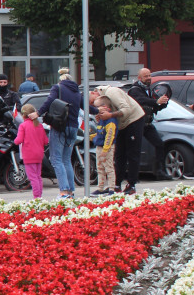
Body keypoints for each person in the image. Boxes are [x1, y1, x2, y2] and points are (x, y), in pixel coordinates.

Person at [38, 68, 84, 200]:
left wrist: (38, 113)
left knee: (56, 159)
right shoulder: (77, 92)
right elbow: (85, 106)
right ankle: (70, 191)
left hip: (60, 126)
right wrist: (98, 110)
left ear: (61, 80)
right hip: (73, 128)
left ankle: (63, 191)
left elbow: (49, 102)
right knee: (66, 160)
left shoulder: (57, 88)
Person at [90, 83, 144, 195]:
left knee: (132, 153)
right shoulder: (102, 101)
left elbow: (127, 109)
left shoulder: (112, 92)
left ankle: (131, 184)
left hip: (133, 120)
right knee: (119, 154)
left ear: (94, 93)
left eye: (92, 103)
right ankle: (116, 185)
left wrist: (110, 116)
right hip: (120, 124)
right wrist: (100, 117)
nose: (94, 108)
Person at [128, 68, 170, 180]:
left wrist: (162, 103)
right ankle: (132, 176)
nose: (148, 78)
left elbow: (152, 106)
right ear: (139, 78)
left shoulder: (148, 89)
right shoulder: (134, 90)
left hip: (147, 124)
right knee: (134, 149)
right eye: (146, 76)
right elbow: (141, 100)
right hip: (136, 124)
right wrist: (156, 101)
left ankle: (159, 171)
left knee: (159, 144)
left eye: (149, 76)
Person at [14, 103, 49, 199]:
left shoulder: (23, 126)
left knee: (32, 177)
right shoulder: (40, 125)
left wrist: (14, 140)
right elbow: (46, 141)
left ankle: (36, 197)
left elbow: (18, 140)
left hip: (29, 155)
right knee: (38, 176)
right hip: (39, 154)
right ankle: (39, 196)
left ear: (23, 115)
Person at [91, 98, 118, 195]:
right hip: (99, 147)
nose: (96, 110)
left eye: (98, 107)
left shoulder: (110, 121)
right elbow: (99, 133)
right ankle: (100, 188)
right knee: (100, 168)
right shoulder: (101, 121)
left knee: (109, 168)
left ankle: (111, 188)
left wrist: (106, 149)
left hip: (107, 148)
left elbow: (109, 136)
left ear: (106, 108)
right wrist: (90, 137)